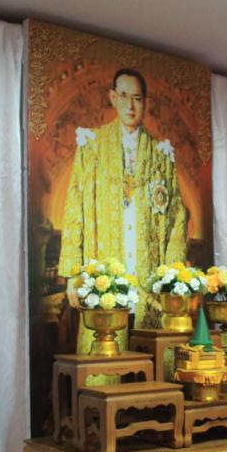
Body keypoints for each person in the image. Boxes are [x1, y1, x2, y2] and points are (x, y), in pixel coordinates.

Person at [57, 68, 188, 293]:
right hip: (104, 271)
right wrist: (72, 276)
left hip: (149, 276)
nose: (130, 106)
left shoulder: (161, 155)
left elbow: (177, 217)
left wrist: (172, 276)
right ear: (113, 98)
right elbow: (74, 209)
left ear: (145, 102)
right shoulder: (92, 146)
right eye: (124, 97)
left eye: (137, 98)